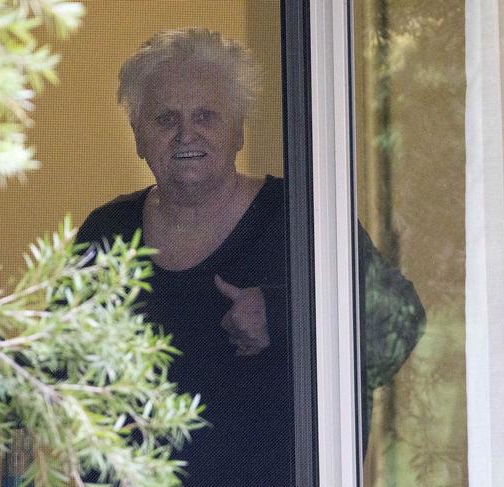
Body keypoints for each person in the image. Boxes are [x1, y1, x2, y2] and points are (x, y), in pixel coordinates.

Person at [76, 28, 425, 486]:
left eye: (206, 116)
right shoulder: (107, 234)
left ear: (239, 130)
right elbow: (58, 376)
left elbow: (399, 323)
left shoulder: (300, 221)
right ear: (139, 137)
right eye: (165, 119)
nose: (186, 134)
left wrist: (283, 317)